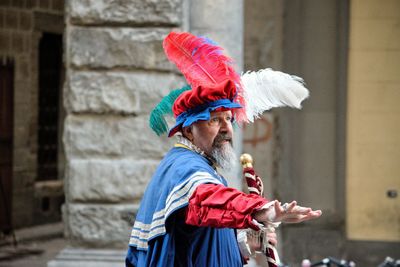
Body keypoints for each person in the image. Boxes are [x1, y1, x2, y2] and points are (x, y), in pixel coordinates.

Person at [125, 31, 322, 267]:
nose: (227, 129)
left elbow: (203, 242)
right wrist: (260, 211)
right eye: (214, 120)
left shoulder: (200, 166)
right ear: (188, 131)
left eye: (228, 119)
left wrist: (247, 243)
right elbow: (206, 202)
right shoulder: (185, 167)